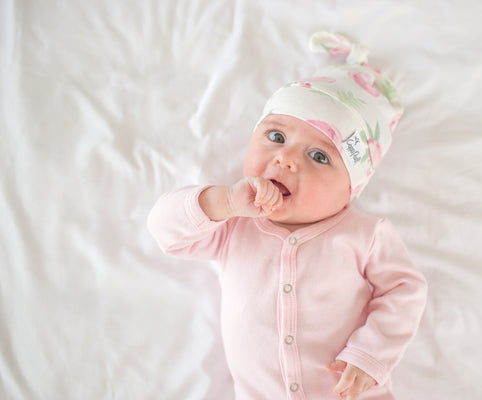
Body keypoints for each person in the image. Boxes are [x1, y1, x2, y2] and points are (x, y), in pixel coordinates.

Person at [147, 31, 427, 400]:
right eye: (276, 137)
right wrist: (224, 202)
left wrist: (370, 355)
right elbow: (164, 230)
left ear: (351, 188)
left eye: (319, 156)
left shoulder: (366, 234)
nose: (286, 159)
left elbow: (404, 290)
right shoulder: (234, 226)